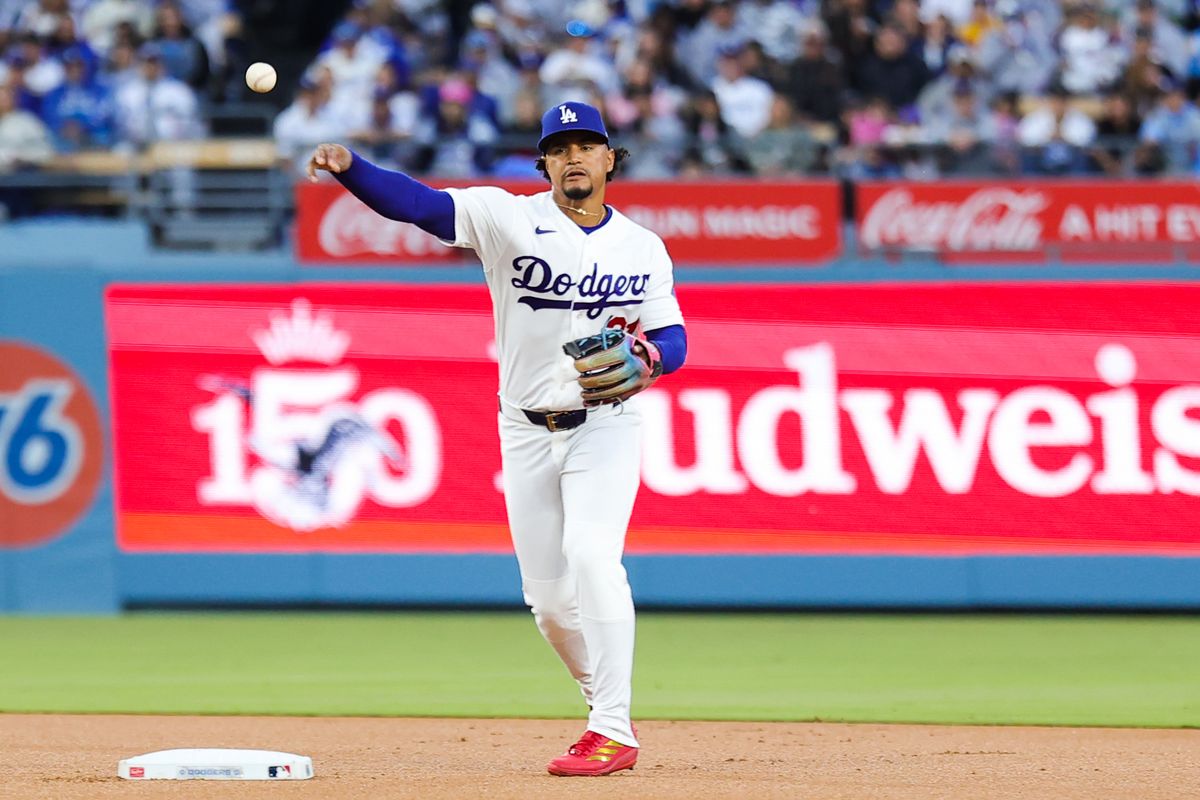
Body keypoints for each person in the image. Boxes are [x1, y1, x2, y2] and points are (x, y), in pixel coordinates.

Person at [305, 100, 686, 777]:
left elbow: (674, 338)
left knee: (593, 555)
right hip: (526, 430)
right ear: (544, 162)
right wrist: (352, 168)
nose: (573, 156)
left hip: (606, 421)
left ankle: (613, 729)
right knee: (548, 604)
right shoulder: (509, 217)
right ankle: (605, 699)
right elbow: (418, 205)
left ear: (608, 158)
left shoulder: (641, 246)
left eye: (586, 144)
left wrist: (652, 360)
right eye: (559, 146)